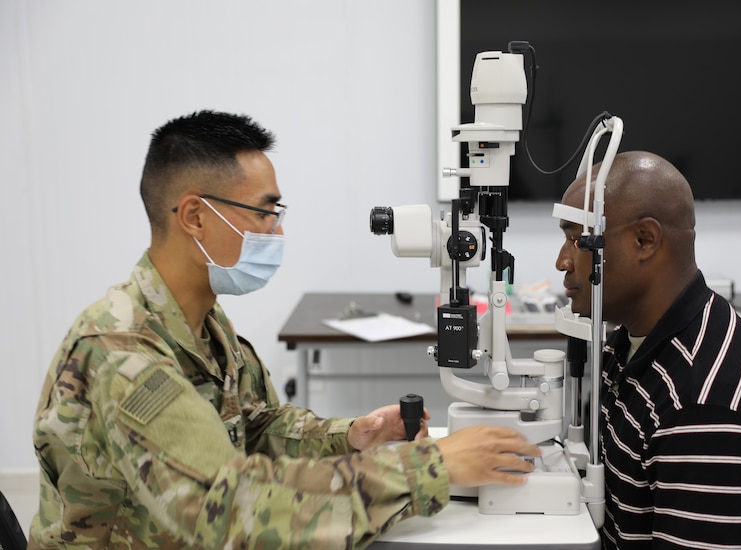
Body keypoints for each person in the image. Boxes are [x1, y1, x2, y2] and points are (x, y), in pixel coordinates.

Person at [30, 110, 541, 549]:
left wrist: (353, 436)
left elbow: (251, 428)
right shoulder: (122, 353)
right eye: (263, 212)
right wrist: (434, 466)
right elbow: (231, 508)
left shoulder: (205, 325)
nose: (277, 231)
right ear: (193, 216)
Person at [555, 150, 741, 548]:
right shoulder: (631, 342)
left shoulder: (706, 409)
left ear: (645, 240)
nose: (562, 261)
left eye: (578, 240)